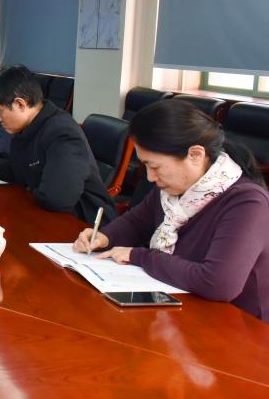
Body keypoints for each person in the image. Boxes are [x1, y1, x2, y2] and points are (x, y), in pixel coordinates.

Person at [74, 100, 269, 321]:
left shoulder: (247, 203)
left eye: (155, 166)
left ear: (195, 155)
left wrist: (139, 256)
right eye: (145, 165)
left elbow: (218, 283)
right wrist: (104, 237)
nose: (150, 177)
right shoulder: (174, 187)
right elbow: (136, 222)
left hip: (237, 325)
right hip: (183, 306)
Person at [0, 65, 116, 223]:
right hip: (47, 216)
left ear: (20, 104)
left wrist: (23, 194)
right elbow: (19, 167)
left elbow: (56, 198)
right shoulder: (29, 126)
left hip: (85, 225)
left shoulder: (62, 133)